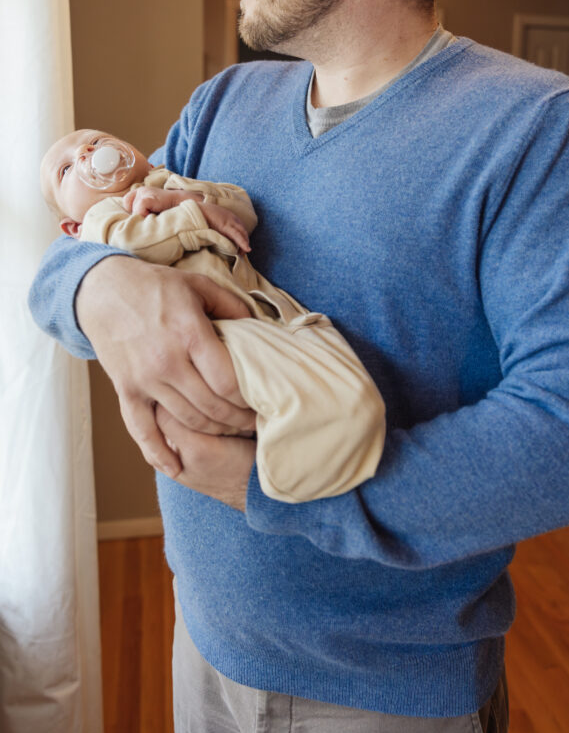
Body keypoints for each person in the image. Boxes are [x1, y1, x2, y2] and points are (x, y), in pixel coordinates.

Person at [29, 0, 569, 733]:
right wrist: (101, 290)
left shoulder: (529, 124)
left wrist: (279, 488)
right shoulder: (225, 100)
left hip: (384, 699)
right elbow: (83, 248)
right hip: (209, 646)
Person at [39, 128, 385, 503]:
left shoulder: (170, 178)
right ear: (72, 229)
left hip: (267, 313)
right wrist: (194, 212)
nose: (87, 151)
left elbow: (240, 210)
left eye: (95, 140)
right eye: (66, 169)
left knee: (338, 376)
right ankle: (289, 477)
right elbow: (134, 241)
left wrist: (180, 196)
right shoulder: (103, 217)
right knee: (312, 396)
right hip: (213, 333)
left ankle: (318, 459)